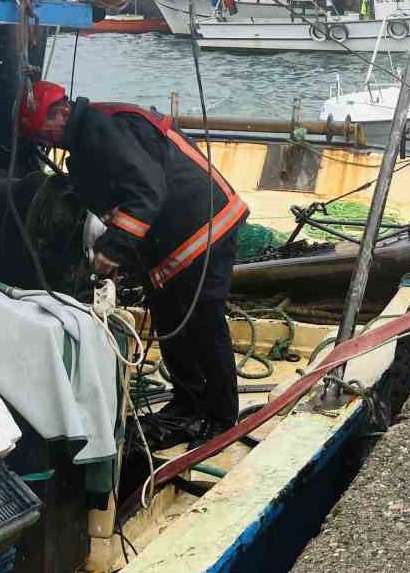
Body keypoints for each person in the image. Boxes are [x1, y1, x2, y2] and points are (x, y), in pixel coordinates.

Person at [19, 80, 249, 447]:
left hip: (204, 224)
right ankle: (187, 405)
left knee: (203, 320)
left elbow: (146, 192)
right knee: (169, 315)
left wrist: (113, 250)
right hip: (174, 235)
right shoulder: (87, 136)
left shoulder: (101, 129)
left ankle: (220, 418)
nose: (46, 144)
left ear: (61, 112)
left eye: (44, 134)